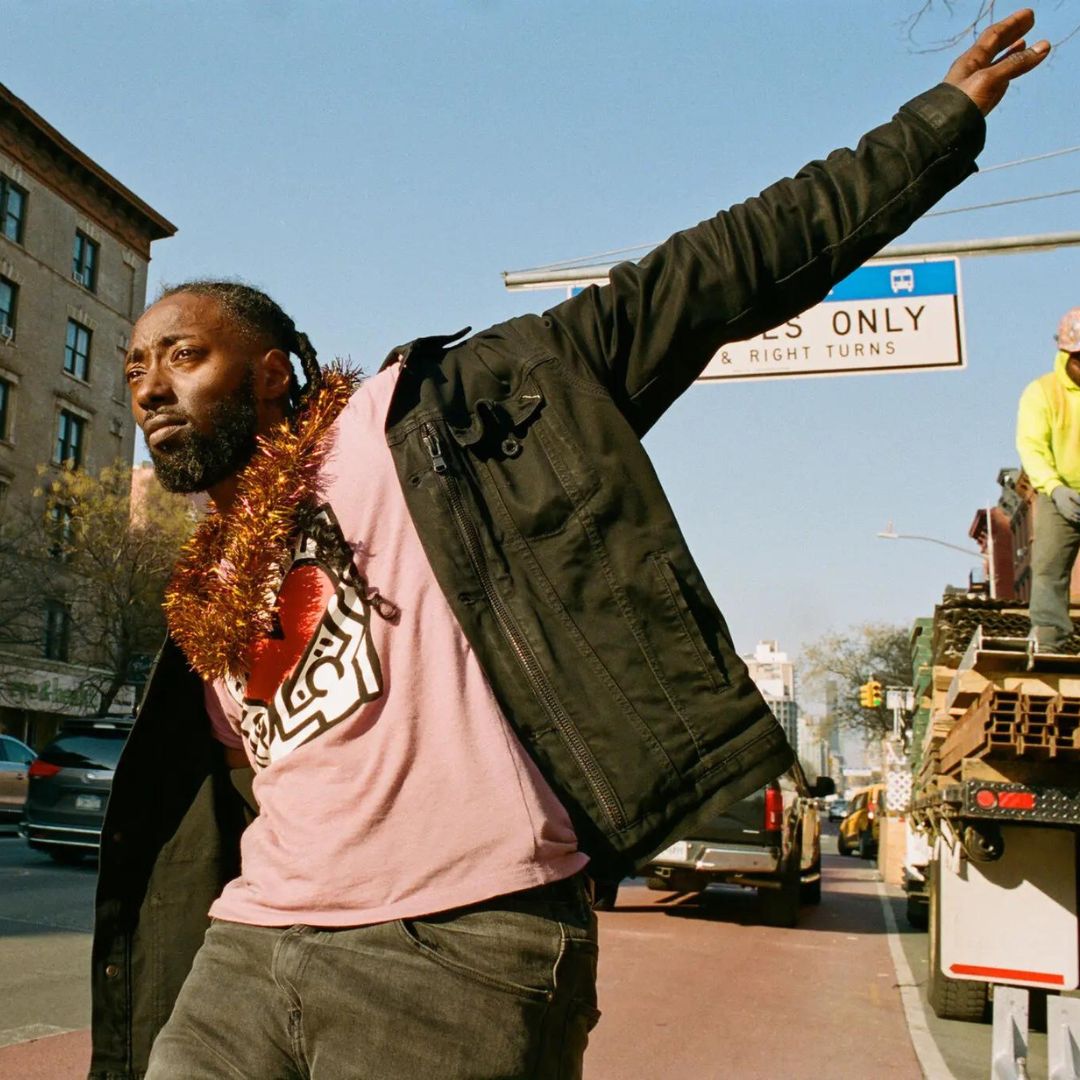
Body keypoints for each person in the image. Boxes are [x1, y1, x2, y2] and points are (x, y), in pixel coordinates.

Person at [91, 12, 1047, 1079]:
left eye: (183, 355)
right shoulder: (210, 578)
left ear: (272, 372)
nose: (150, 387)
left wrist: (936, 125)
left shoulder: (427, 422)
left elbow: (713, 275)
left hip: (453, 951)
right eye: (133, 369)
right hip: (250, 949)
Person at [1017, 307, 1080, 651]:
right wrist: (1054, 489)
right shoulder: (1042, 393)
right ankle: (1050, 636)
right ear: (1066, 355)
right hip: (1062, 494)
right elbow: (1032, 448)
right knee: (1049, 567)